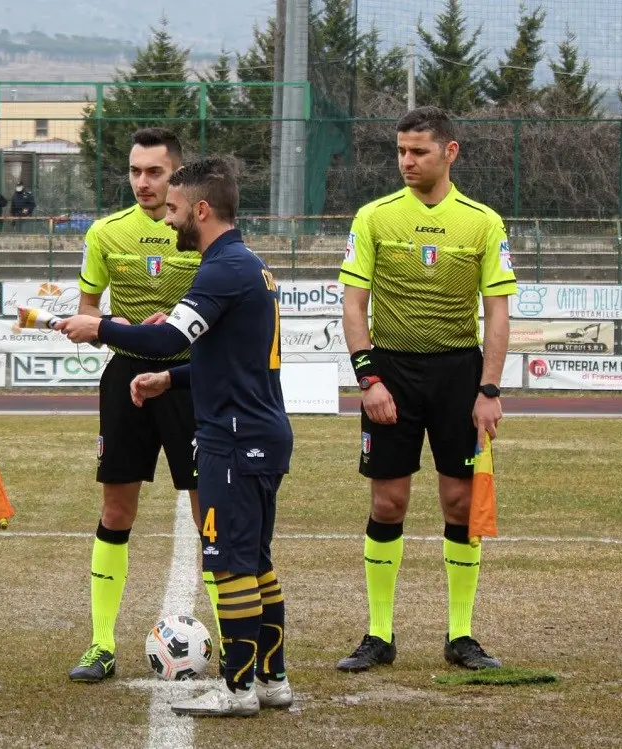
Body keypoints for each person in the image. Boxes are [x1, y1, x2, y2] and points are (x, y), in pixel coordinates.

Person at [57, 155, 294, 717]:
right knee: (255, 560)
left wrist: (101, 327)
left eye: (176, 210)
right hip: (257, 429)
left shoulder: (221, 269)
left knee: (231, 565)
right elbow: (230, 359)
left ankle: (237, 689)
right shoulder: (248, 266)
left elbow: (168, 338)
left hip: (234, 439)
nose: (168, 221)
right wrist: (172, 379)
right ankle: (272, 680)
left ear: (203, 210)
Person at [335, 105, 516, 674]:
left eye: (419, 152)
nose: (407, 162)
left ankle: (461, 635)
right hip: (391, 372)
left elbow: (498, 311)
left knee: (460, 502)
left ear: (450, 152)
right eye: (401, 152)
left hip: (458, 375)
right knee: (388, 500)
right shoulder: (374, 217)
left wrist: (488, 388)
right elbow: (353, 303)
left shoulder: (483, 221)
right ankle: (378, 634)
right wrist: (369, 379)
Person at [65, 127, 215, 684]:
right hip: (126, 377)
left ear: (177, 175)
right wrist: (114, 328)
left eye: (154, 172)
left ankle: (225, 641)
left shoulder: (199, 232)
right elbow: (88, 310)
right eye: (134, 171)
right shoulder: (106, 233)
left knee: (210, 516)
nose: (143, 182)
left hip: (188, 380)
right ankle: (101, 644)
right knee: (115, 512)